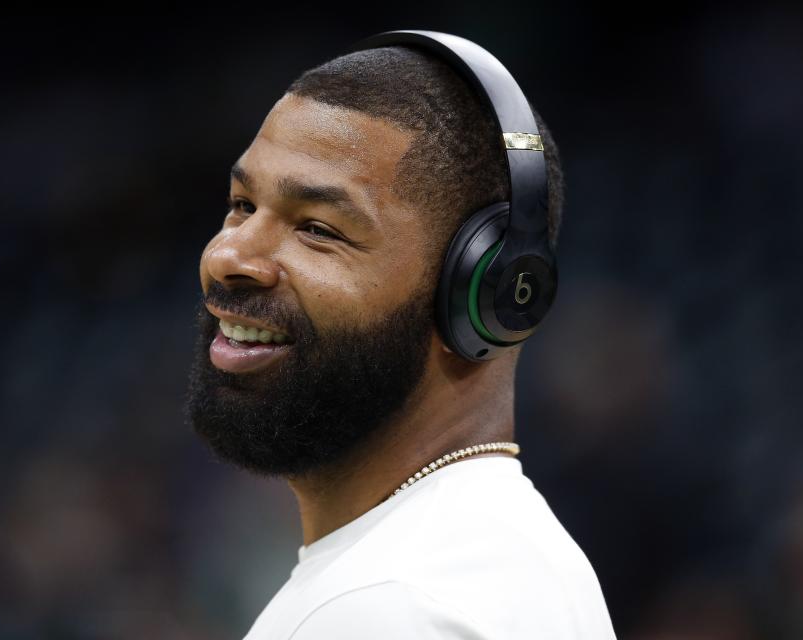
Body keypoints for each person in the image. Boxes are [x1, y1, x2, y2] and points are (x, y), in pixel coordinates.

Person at [186, 30, 617, 639]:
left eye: (318, 229)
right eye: (241, 204)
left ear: (485, 293)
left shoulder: (391, 607)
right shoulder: (480, 562)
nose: (230, 254)